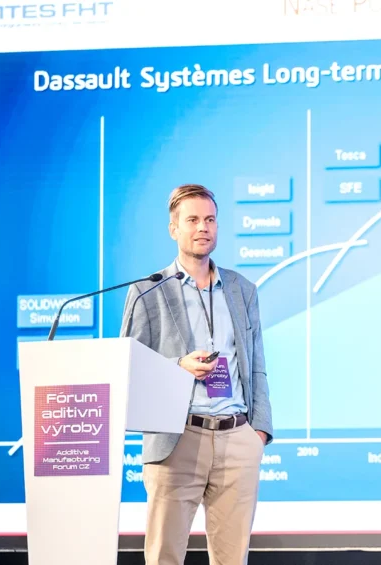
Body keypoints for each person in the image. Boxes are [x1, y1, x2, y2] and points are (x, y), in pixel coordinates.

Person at [120, 183, 273, 565]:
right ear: (174, 228)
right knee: (165, 557)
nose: (203, 227)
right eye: (192, 220)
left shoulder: (242, 289)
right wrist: (178, 366)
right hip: (177, 438)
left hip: (237, 436)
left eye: (210, 219)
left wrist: (258, 432)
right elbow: (128, 367)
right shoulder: (147, 292)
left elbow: (256, 365)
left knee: (232, 559)